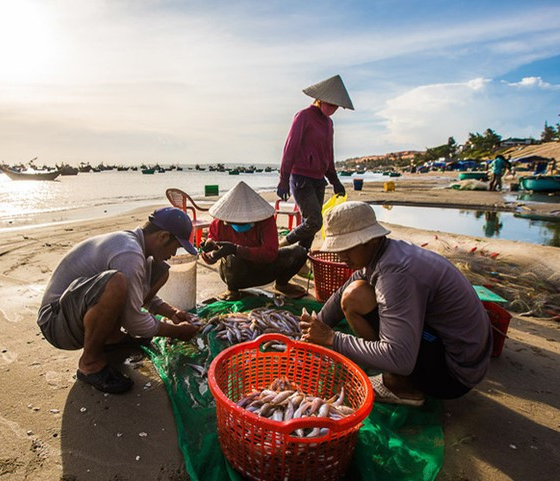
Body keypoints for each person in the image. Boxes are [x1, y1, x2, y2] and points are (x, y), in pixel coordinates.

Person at [300, 202, 492, 405]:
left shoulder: (395, 274)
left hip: (453, 375)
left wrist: (332, 338)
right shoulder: (389, 251)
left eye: (347, 247)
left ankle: (399, 384)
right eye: (338, 248)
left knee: (355, 297)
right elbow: (341, 293)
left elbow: (399, 358)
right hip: (464, 355)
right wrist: (315, 327)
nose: (341, 256)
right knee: (355, 290)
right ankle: (396, 373)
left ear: (372, 240)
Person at [37, 207, 200, 394]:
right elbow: (134, 322)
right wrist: (176, 332)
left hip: (74, 312)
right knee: (116, 283)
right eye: (176, 246)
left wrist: (171, 312)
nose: (173, 254)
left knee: (161, 271)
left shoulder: (138, 248)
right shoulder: (129, 253)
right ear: (163, 237)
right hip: (56, 323)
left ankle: (112, 338)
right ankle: (90, 364)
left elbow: (137, 295)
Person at [277, 74, 353, 249]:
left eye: (337, 106)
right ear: (320, 100)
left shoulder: (329, 124)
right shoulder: (304, 116)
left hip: (319, 180)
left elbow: (328, 155)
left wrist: (336, 181)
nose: (333, 109)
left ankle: (300, 258)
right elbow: (290, 148)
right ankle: (281, 246)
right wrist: (283, 180)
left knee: (310, 225)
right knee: (314, 222)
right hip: (301, 178)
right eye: (331, 104)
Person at [200, 181, 308, 300]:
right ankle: (232, 289)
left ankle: (282, 284)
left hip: (264, 270)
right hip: (234, 274)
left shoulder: (266, 221)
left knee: (300, 252)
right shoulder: (218, 224)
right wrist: (210, 251)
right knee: (232, 257)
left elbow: (271, 253)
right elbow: (210, 255)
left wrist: (237, 249)